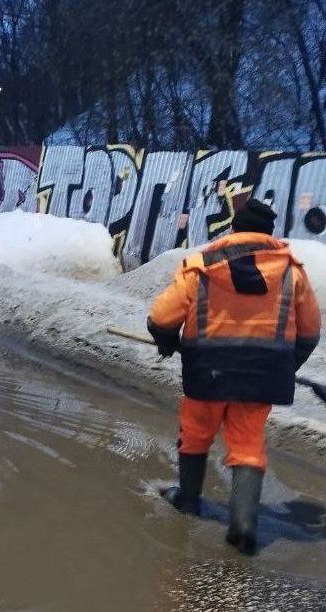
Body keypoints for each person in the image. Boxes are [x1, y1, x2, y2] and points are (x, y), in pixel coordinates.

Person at [147, 198, 320, 554]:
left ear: (234, 229)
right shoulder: (292, 271)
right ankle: (243, 525)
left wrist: (166, 341)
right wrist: (286, 366)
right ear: (268, 234)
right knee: (247, 445)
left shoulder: (201, 267)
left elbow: (162, 317)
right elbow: (309, 333)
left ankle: (189, 501)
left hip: (207, 373)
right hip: (260, 378)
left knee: (195, 434)